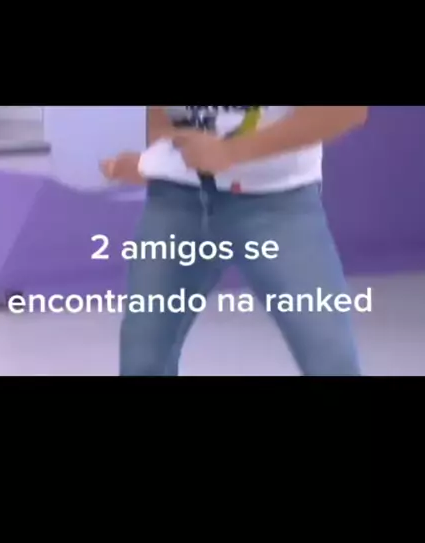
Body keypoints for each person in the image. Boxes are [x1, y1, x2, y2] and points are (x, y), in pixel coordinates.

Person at [101, 106, 368, 377]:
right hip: (176, 198)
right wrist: (156, 160)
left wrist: (230, 152)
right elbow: (163, 119)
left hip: (277, 200)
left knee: (331, 361)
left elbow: (345, 111)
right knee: (142, 362)